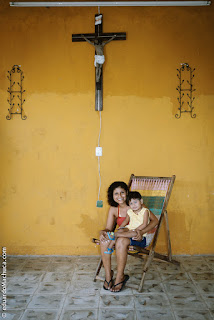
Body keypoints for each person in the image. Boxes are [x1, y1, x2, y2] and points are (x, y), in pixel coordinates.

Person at [99, 181, 158, 293]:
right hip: (124, 235)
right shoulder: (113, 209)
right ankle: (108, 276)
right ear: (112, 196)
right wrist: (102, 232)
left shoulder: (136, 205)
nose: (119, 196)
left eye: (122, 192)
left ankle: (120, 277)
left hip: (136, 238)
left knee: (120, 240)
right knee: (104, 240)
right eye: (116, 193)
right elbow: (108, 228)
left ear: (127, 192)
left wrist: (141, 232)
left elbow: (154, 221)